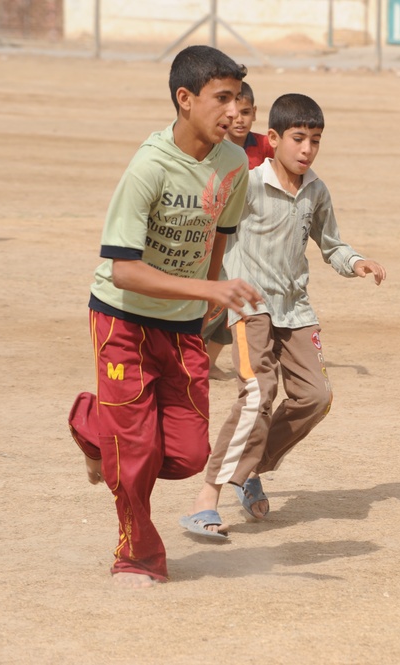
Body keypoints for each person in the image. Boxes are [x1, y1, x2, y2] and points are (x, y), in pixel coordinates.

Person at [66, 45, 262, 588]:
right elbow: (123, 270)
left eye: (238, 99)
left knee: (185, 452)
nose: (234, 111)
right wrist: (207, 288)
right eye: (221, 99)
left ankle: (90, 424)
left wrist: (206, 303)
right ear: (185, 99)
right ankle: (138, 556)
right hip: (121, 319)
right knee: (134, 454)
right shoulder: (148, 167)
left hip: (180, 325)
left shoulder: (232, 163)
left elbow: (218, 238)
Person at [182, 92, 386, 537]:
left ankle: (250, 468)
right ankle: (207, 499)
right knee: (258, 393)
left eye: (315, 140)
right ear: (273, 139)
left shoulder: (316, 190)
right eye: (298, 138)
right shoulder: (247, 184)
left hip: (296, 310)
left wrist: (357, 262)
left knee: (316, 397)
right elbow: (214, 230)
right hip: (250, 305)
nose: (307, 149)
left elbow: (331, 244)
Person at [204, 80, 276, 381]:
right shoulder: (215, 147)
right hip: (218, 237)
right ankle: (186, 357)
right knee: (214, 300)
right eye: (235, 113)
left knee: (237, 302)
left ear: (255, 113)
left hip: (250, 240)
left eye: (246, 112)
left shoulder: (263, 145)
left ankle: (207, 363)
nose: (240, 119)